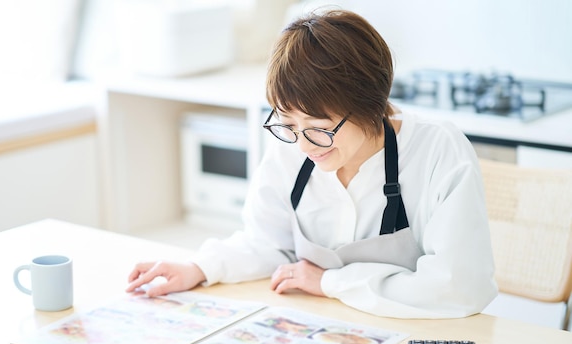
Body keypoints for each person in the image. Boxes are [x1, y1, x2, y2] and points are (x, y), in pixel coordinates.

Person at [126, 9, 498, 319]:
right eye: (289, 126)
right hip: (322, 329)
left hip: (415, 336)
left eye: (319, 129)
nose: (303, 145)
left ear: (371, 104)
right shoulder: (295, 144)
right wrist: (199, 267)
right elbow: (267, 243)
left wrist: (328, 283)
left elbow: (457, 287)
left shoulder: (438, 151)